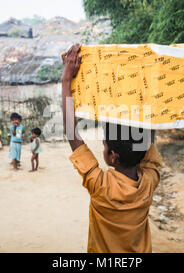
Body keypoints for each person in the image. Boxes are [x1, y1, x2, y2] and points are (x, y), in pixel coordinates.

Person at [61, 44, 163, 253]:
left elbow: (72, 135)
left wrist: (66, 79)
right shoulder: (149, 181)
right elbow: (148, 132)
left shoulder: (101, 187)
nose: (103, 147)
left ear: (113, 156)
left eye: (105, 144)